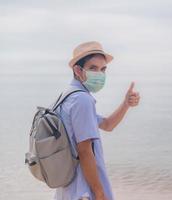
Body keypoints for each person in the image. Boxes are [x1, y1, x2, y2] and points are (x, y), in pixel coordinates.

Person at [54, 41, 140, 200]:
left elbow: (107, 125)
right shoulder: (82, 100)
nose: (99, 74)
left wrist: (126, 104)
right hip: (83, 191)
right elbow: (85, 150)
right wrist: (99, 193)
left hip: (68, 188)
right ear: (78, 70)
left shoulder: (68, 96)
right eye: (93, 68)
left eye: (103, 69)